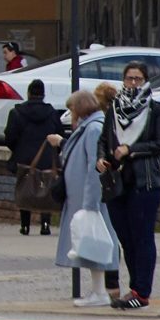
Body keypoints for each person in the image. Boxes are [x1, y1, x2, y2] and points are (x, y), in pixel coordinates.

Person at [102, 62, 160, 311]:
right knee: (126, 238)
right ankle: (134, 288)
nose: (133, 84)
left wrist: (132, 149)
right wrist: (103, 157)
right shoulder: (114, 109)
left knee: (142, 237)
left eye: (138, 79)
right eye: (129, 79)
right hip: (118, 181)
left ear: (146, 81)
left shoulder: (156, 110)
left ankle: (142, 291)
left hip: (146, 181)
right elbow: (104, 138)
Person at [52, 84, 120, 306]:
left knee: (93, 243)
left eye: (72, 110)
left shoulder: (92, 129)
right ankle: (98, 291)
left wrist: (90, 201)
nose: (71, 114)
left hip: (88, 198)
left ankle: (99, 292)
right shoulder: (90, 127)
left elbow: (94, 165)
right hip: (82, 196)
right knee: (88, 243)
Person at [3, 79, 64, 236]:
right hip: (46, 156)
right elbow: (60, 135)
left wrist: (18, 149)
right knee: (46, 187)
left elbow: (9, 137)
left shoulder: (16, 113)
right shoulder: (52, 113)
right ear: (43, 94)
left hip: (24, 157)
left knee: (26, 188)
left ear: (29, 93)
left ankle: (25, 225)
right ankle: (45, 223)